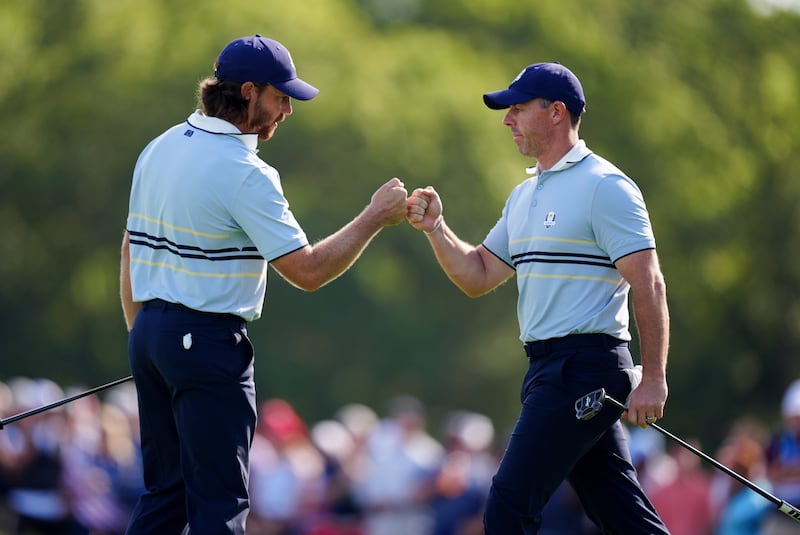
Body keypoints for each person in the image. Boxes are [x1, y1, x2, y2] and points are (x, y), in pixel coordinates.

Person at [119, 34, 408, 535]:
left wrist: (145, 341)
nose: (287, 111)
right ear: (248, 92)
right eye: (280, 98)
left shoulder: (159, 147)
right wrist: (374, 217)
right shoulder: (246, 171)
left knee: (165, 497)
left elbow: (129, 249)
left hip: (150, 333)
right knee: (220, 505)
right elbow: (308, 270)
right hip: (207, 343)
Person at [406, 62, 670, 533]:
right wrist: (437, 230)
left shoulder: (606, 187)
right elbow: (479, 274)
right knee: (620, 513)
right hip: (546, 368)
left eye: (518, 108)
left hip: (585, 367)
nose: (507, 119)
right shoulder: (524, 195)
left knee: (508, 504)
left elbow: (649, 282)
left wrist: (653, 378)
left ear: (556, 113)